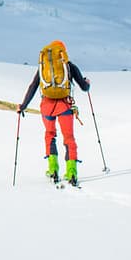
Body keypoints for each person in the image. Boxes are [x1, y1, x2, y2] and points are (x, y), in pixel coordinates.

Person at [18, 39, 90, 185]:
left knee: (50, 135)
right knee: (69, 138)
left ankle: (53, 170)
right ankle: (71, 173)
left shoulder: (43, 68)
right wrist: (87, 83)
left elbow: (33, 87)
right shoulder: (69, 66)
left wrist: (23, 105)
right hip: (64, 106)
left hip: (47, 105)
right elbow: (84, 88)